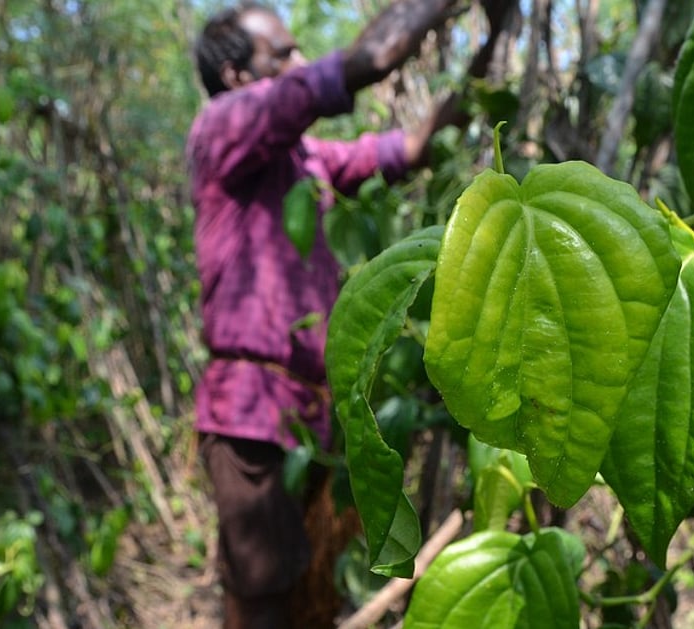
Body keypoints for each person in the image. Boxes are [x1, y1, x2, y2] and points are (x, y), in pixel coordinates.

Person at [187, 1, 512, 627]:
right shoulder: (223, 127)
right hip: (250, 413)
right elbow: (371, 59)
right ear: (236, 76)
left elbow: (413, 148)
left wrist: (490, 42)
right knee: (261, 596)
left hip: (310, 417)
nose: (300, 60)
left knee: (307, 592)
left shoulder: (306, 162)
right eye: (283, 54)